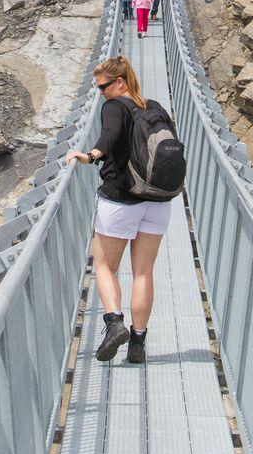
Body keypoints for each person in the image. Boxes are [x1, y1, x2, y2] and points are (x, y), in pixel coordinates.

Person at [66, 55, 175, 362]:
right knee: (143, 272)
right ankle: (138, 345)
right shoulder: (153, 106)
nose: (100, 93)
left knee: (104, 266)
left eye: (102, 87)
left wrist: (89, 155)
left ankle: (114, 322)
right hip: (156, 199)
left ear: (119, 82)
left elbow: (109, 136)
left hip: (121, 197)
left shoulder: (115, 106)